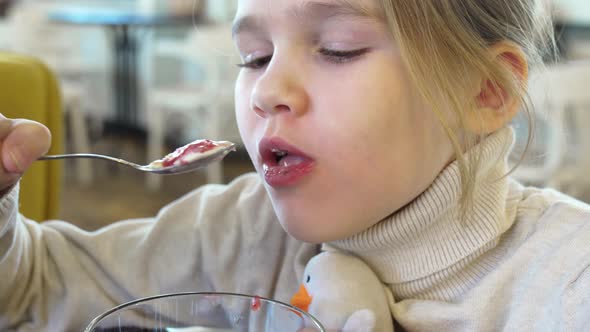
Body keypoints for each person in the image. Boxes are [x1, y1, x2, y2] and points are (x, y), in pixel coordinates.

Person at [1, 0, 589, 330]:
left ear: (485, 90)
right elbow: (33, 292)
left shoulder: (566, 284)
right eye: (253, 57)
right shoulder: (239, 232)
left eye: (338, 48)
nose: (265, 91)